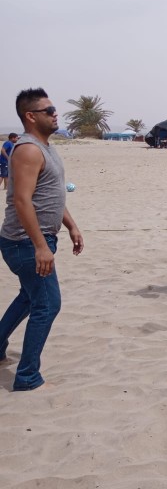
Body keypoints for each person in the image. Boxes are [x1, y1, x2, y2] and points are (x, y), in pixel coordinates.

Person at [0, 89, 83, 390]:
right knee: (48, 305)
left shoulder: (45, 148)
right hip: (24, 242)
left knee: (29, 296)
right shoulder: (28, 150)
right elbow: (22, 201)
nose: (55, 113)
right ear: (30, 116)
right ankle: (26, 377)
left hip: (39, 239)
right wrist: (39, 246)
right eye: (48, 110)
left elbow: (51, 196)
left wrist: (71, 225)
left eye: (54, 109)